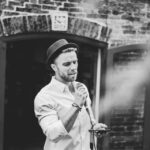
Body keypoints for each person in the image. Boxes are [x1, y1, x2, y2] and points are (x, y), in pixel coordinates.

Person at [34, 39, 107, 150]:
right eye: (67, 64)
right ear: (54, 67)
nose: (73, 67)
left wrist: (94, 127)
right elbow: (53, 134)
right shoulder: (45, 96)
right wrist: (76, 106)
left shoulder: (81, 88)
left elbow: (88, 122)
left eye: (75, 62)